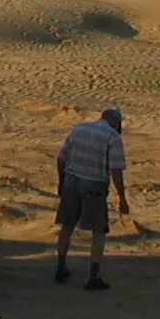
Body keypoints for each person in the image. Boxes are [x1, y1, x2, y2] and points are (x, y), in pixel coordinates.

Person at [54, 107, 130, 290]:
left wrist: (62, 182)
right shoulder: (112, 137)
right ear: (116, 123)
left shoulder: (79, 129)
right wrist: (122, 199)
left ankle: (60, 268)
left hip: (72, 180)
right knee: (99, 230)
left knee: (67, 226)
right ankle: (93, 277)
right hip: (94, 185)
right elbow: (116, 170)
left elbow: (61, 158)